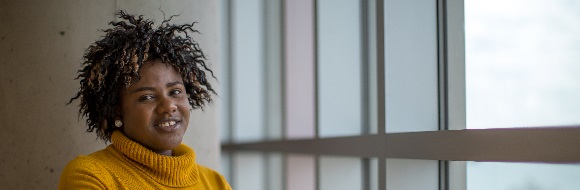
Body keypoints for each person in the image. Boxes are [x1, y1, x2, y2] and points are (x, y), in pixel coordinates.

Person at [59, 11, 231, 189]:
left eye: (175, 92)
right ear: (116, 108)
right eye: (147, 97)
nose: (169, 106)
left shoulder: (215, 183)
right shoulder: (90, 175)